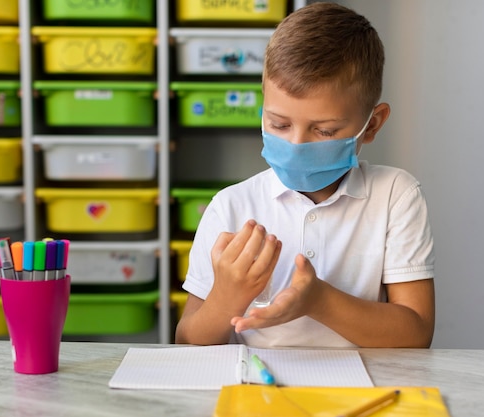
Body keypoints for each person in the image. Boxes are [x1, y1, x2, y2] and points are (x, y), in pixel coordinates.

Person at [175, 2, 435, 348]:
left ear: (371, 124)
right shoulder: (231, 207)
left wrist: (319, 301)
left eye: (324, 131)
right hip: (257, 392)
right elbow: (187, 342)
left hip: (361, 393)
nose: (296, 144)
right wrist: (225, 298)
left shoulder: (394, 195)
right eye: (279, 124)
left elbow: (416, 335)